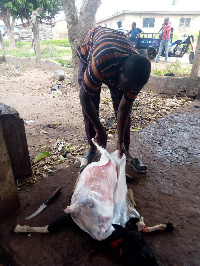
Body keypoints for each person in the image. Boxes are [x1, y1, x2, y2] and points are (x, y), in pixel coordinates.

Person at [77, 26, 151, 173]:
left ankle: (123, 149)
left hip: (117, 61)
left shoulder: (136, 77)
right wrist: (100, 129)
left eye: (132, 89)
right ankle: (93, 147)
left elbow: (124, 108)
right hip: (91, 51)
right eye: (127, 86)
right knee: (92, 102)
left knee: (121, 104)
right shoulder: (100, 61)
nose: (128, 91)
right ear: (120, 72)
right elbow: (84, 97)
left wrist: (120, 140)